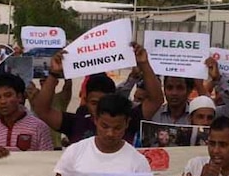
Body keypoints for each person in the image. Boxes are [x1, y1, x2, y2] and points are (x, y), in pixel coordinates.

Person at [33, 44, 162, 147]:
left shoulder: (127, 119)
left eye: (104, 102)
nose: (99, 108)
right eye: (94, 103)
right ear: (85, 100)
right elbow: (42, 110)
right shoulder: (77, 122)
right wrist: (54, 74)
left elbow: (156, 100)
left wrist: (144, 64)